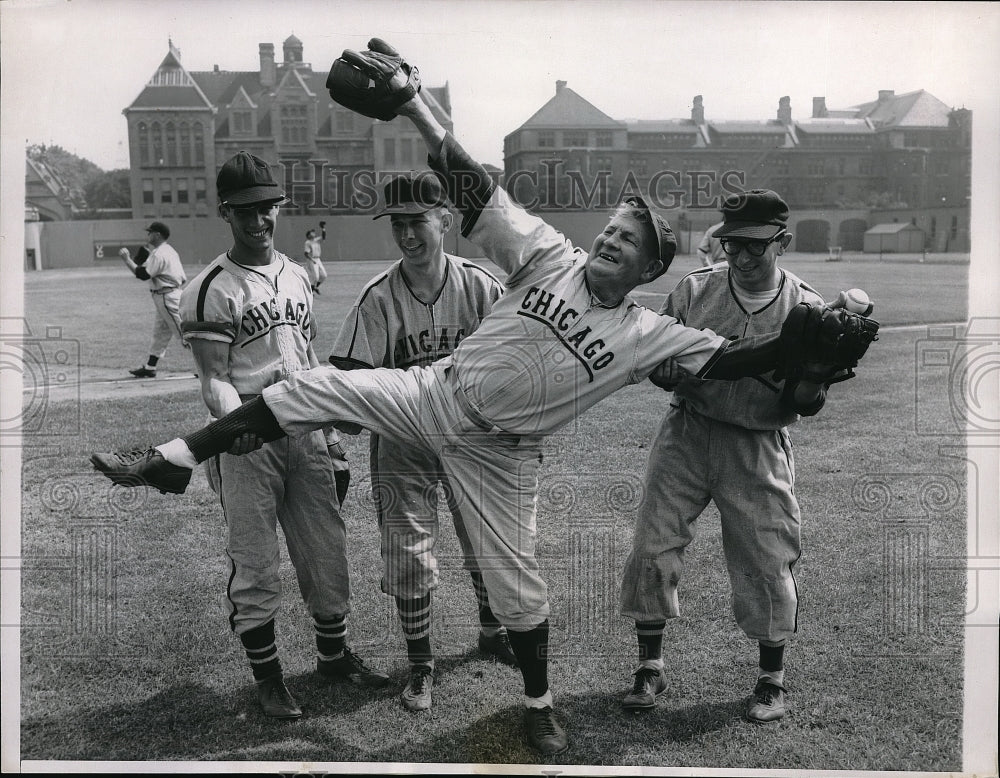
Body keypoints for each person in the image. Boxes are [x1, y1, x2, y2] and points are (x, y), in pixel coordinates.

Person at [91, 62, 803, 756]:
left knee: (518, 587)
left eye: (628, 241)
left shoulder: (646, 331)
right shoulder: (550, 256)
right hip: (434, 394)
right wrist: (414, 107)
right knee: (305, 389)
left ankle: (539, 706)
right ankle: (173, 459)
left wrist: (805, 337)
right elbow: (473, 184)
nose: (611, 240)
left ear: (648, 269)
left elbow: (733, 358)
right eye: (611, 229)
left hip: (500, 452)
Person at [176, 150, 388, 721]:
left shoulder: (295, 274)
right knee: (256, 561)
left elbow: (308, 359)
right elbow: (214, 377)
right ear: (225, 211)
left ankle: (333, 657)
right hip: (249, 439)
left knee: (326, 550)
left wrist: (330, 433)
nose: (258, 219)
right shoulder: (211, 286)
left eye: (266, 206)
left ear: (279, 206)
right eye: (244, 209)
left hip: (306, 433)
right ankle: (268, 679)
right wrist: (232, 428)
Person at [619, 189, 831, 723]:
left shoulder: (807, 307)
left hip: (757, 441)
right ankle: (649, 666)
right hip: (687, 431)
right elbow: (656, 365)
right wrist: (670, 370)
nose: (741, 256)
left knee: (766, 557)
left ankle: (770, 679)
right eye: (733, 243)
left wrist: (815, 378)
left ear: (782, 242)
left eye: (755, 245)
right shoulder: (695, 290)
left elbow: (807, 403)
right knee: (652, 546)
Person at [329, 173, 512, 713]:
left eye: (418, 222)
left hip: (471, 435)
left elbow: (516, 363)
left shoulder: (480, 286)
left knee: (486, 539)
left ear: (446, 221)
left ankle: (492, 631)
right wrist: (343, 419)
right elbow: (351, 376)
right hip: (404, 438)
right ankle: (420, 663)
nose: (407, 235)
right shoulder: (378, 296)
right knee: (407, 550)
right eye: (398, 224)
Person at [118, 221, 188, 378]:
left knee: (183, 332)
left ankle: (205, 367)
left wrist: (127, 259)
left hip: (167, 297)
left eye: (150, 232)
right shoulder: (169, 250)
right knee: (160, 333)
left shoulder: (158, 254)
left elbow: (142, 274)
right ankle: (150, 367)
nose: (148, 235)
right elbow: (182, 279)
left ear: (157, 235)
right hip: (170, 294)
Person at [304, 222, 329, 294]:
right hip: (311, 259)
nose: (313, 233)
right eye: (311, 232)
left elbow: (323, 237)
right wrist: (312, 260)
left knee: (324, 275)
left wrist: (323, 228)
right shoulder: (308, 242)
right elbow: (306, 254)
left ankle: (315, 287)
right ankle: (310, 291)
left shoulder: (317, 240)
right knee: (316, 277)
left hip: (318, 259)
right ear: (308, 235)